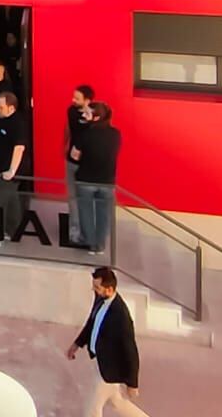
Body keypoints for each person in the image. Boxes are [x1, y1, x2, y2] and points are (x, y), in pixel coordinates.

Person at [66, 267, 149, 416]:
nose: (93, 289)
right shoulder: (100, 298)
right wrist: (77, 344)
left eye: (97, 287)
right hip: (99, 362)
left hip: (108, 371)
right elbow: (91, 323)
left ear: (109, 289)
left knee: (92, 409)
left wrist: (132, 384)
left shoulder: (121, 316)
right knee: (116, 402)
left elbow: (130, 350)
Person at [72, 102, 120, 253]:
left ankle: (89, 241)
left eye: (87, 114)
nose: (83, 116)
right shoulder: (115, 134)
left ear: (96, 117)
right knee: (104, 214)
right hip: (107, 180)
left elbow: (75, 155)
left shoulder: (85, 134)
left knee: (86, 211)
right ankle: (100, 245)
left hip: (86, 179)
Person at [0, 90, 27, 250]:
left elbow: (19, 148)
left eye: (0, 107)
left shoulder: (17, 124)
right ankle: (14, 230)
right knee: (12, 201)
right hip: (0, 169)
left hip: (7, 172)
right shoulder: (2, 120)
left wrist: (11, 171)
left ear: (11, 108)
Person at [65, 84, 95, 245]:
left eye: (77, 98)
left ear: (87, 100)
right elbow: (68, 128)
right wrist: (65, 145)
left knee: (88, 198)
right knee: (72, 197)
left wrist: (91, 120)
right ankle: (74, 231)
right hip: (71, 160)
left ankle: (89, 230)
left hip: (88, 164)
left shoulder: (96, 117)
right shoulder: (71, 111)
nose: (73, 100)